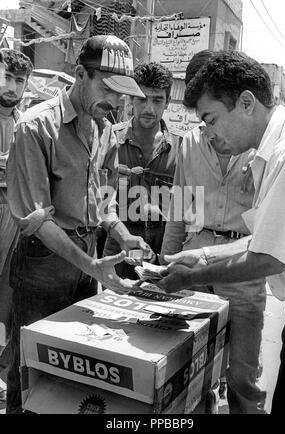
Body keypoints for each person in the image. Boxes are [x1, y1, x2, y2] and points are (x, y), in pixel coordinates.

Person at [6, 35, 151, 414]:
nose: (117, 101)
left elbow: (104, 201)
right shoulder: (36, 128)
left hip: (87, 262)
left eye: (123, 93)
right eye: (108, 88)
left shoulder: (105, 130)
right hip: (43, 264)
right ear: (79, 74)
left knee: (74, 370)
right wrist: (89, 264)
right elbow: (36, 219)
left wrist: (122, 234)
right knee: (31, 367)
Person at [158, 50, 285, 414]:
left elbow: (267, 255)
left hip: (263, 285)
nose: (210, 130)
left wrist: (197, 271)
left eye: (213, 118)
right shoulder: (277, 149)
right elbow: (267, 238)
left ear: (247, 102)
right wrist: (200, 254)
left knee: (243, 378)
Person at [103, 61, 181, 279]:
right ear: (130, 99)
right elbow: (98, 201)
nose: (149, 108)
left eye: (157, 100)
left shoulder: (182, 148)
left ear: (168, 102)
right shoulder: (109, 139)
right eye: (142, 98)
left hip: (164, 250)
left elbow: (189, 209)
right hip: (119, 246)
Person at [0, 48, 33, 408]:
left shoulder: (26, 122)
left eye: (18, 80)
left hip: (14, 222)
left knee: (7, 303)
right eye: (6, 77)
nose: (11, 86)